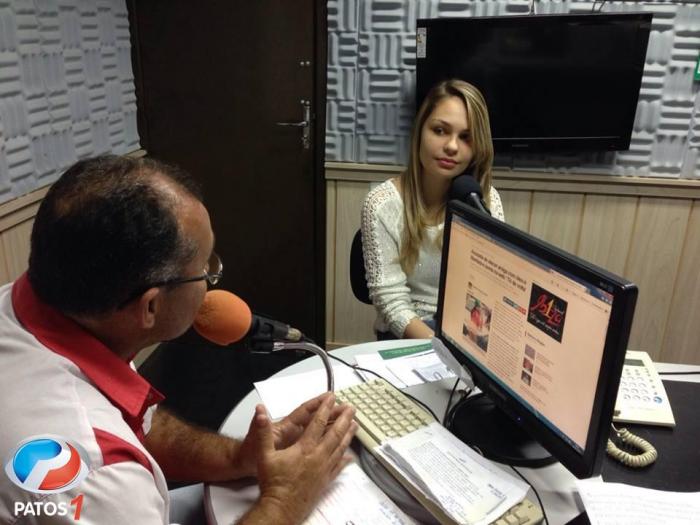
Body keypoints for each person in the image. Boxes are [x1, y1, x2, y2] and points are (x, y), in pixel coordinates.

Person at [0, 155, 357, 524]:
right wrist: (285, 499)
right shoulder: (98, 476)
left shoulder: (68, 311)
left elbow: (142, 425)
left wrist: (239, 458)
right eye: (204, 269)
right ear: (150, 306)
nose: (210, 281)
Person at [361, 79, 505, 340]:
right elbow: (390, 302)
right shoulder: (382, 203)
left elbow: (489, 288)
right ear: (420, 132)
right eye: (440, 130)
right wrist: (441, 349)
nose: (451, 146)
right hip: (408, 332)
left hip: (465, 331)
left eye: (465, 137)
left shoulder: (485, 200)